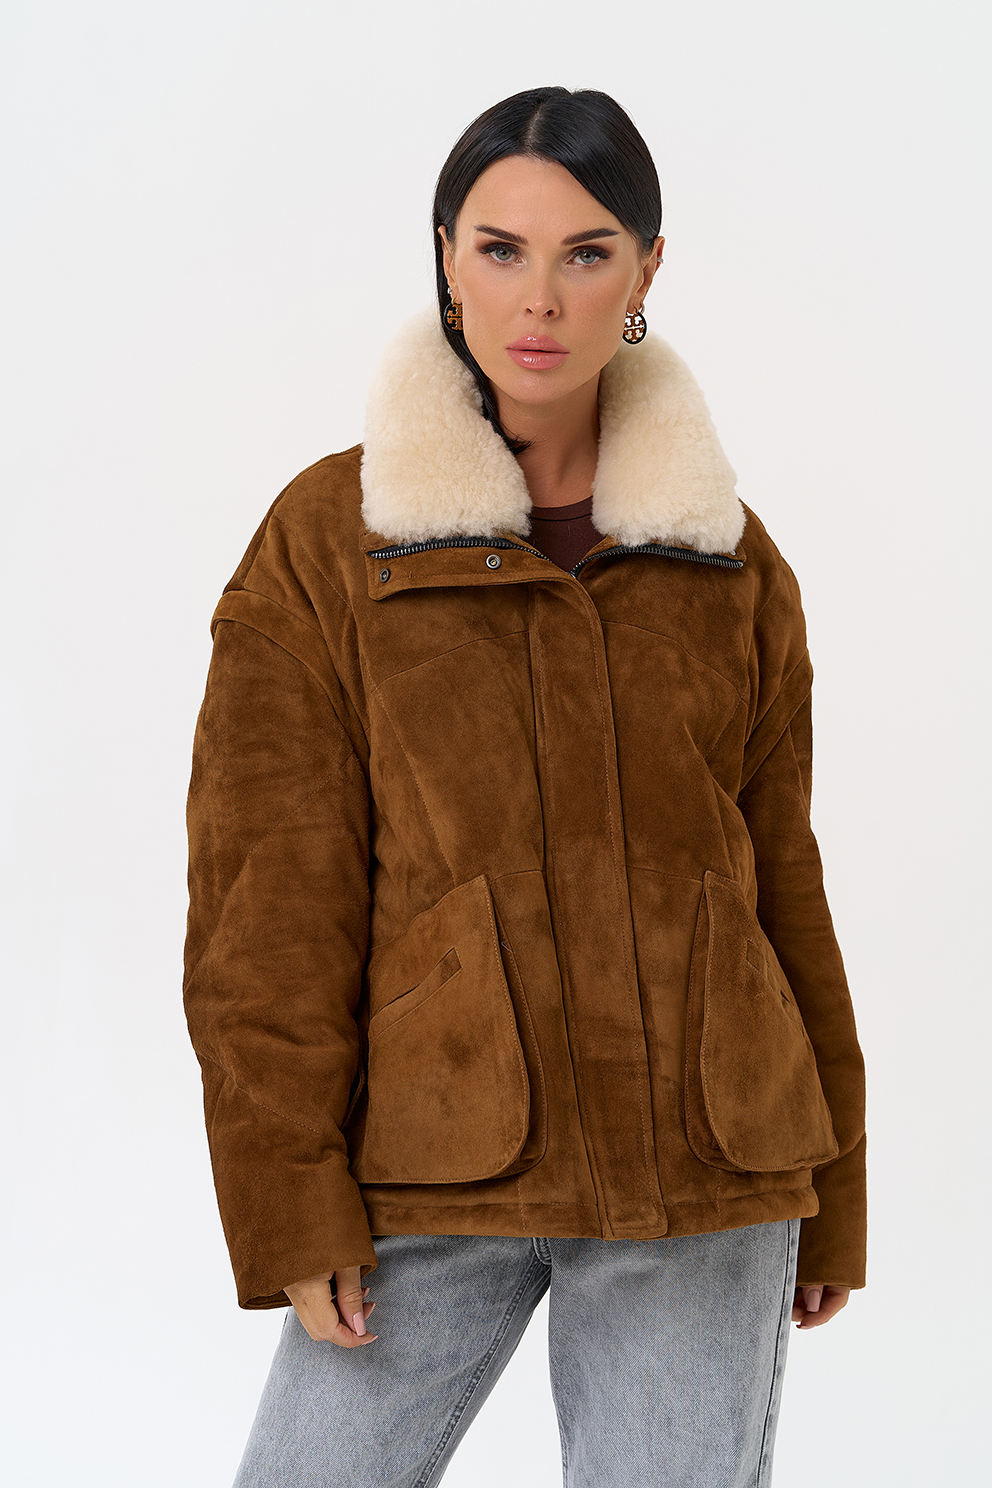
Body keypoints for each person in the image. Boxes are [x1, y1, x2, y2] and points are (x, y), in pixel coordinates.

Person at [184, 86, 866, 1487]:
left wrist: (837, 1188)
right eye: (500, 249)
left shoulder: (728, 559)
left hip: (708, 1174)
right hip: (431, 1162)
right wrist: (288, 1192)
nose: (539, 299)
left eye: (586, 252)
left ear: (647, 270)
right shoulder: (332, 542)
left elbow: (782, 884)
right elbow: (265, 906)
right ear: (446, 256)